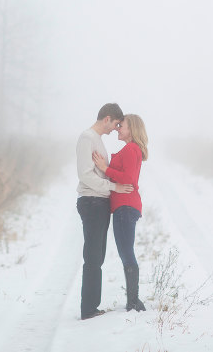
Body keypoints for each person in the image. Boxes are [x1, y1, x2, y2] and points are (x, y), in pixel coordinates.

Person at [76, 103, 134, 320]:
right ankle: (88, 310)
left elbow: (99, 174)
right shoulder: (87, 138)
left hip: (99, 203)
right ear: (107, 118)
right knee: (92, 256)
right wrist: (114, 187)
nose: (114, 129)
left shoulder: (97, 140)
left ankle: (92, 306)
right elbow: (85, 175)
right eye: (115, 124)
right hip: (91, 202)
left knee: (97, 256)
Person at [92, 113, 148, 312]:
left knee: (127, 253)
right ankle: (133, 301)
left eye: (121, 126)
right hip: (124, 206)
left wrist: (104, 168)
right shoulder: (130, 149)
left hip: (126, 206)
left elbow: (128, 178)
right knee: (126, 253)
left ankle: (134, 302)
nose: (117, 129)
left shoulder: (132, 148)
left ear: (131, 129)